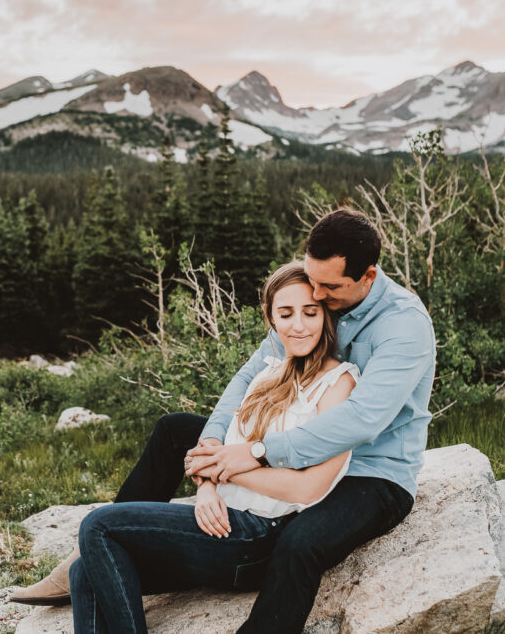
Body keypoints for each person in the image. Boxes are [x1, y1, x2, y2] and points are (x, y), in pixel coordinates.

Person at [13, 208, 436, 634]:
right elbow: (247, 379)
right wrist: (212, 453)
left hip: (370, 471)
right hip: (295, 439)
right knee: (175, 430)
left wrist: (256, 454)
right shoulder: (308, 302)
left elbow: (362, 419)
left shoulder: (402, 324)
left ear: (367, 276)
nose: (317, 294)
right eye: (312, 279)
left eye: (328, 288)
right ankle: (94, 548)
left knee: (301, 541)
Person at [66, 260, 360, 633]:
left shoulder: (338, 384)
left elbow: (308, 488)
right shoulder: (268, 372)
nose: (298, 325)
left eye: (310, 312)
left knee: (98, 525)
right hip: (220, 524)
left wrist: (229, 469)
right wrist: (206, 489)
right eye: (286, 314)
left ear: (326, 315)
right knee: (84, 569)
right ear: (271, 318)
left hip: (257, 535)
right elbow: (218, 451)